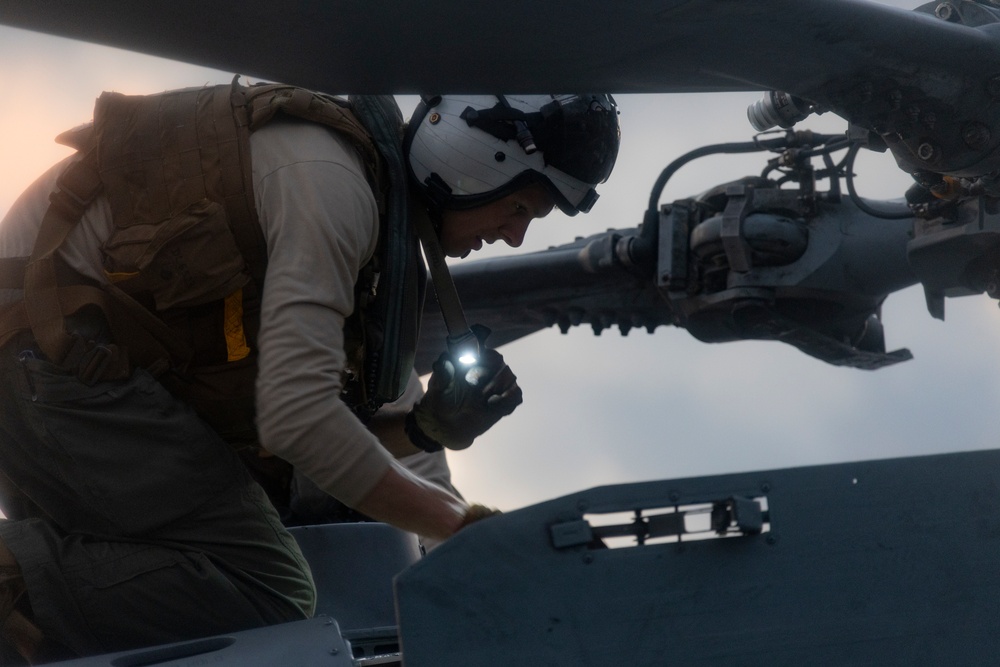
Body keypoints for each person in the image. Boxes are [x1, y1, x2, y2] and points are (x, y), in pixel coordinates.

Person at [0, 85, 620, 662]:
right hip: (51, 343)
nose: (515, 238)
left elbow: (307, 448)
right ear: (472, 159)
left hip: (62, 365)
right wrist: (467, 533)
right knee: (267, 585)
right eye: (519, 207)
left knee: (168, 578)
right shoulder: (336, 191)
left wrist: (425, 430)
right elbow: (302, 424)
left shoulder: (371, 254)